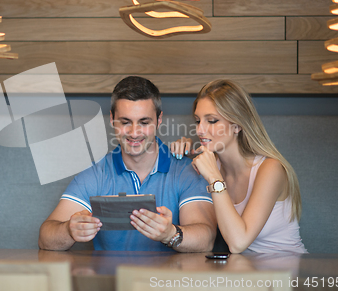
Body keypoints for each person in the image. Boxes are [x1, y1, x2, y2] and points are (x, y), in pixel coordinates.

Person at [38, 76, 216, 252]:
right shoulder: (96, 174)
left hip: (166, 280)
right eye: (125, 122)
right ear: (112, 119)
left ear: (159, 120)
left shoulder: (186, 171)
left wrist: (170, 234)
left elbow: (206, 238)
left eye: (144, 122)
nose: (134, 132)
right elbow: (46, 237)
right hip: (110, 280)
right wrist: (69, 230)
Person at [170, 79, 307, 254]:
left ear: (237, 126)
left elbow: (238, 243)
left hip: (286, 273)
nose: (200, 130)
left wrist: (214, 177)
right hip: (244, 274)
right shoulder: (210, 165)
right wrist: (183, 155)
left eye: (212, 121)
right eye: (198, 121)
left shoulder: (271, 169)